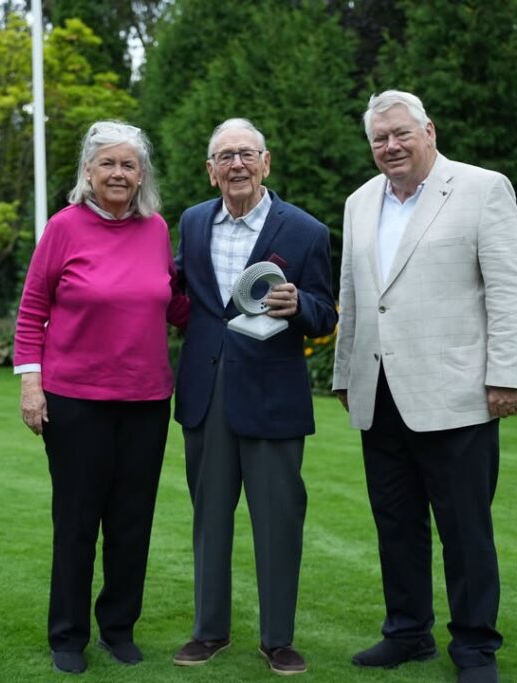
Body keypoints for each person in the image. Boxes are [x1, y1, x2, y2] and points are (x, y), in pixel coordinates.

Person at [331, 90, 517, 683]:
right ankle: (407, 633)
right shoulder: (359, 202)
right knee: (395, 523)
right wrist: (346, 373)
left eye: (400, 134)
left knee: (465, 529)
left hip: (458, 393)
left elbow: (512, 289)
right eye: (379, 139)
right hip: (380, 392)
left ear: (429, 131)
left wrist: (505, 376)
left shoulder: (482, 189)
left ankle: (474, 647)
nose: (390, 146)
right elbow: (354, 292)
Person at [13, 120, 188, 675]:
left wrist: (239, 295)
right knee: (77, 520)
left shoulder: (157, 229)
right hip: (76, 401)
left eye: (128, 165)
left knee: (132, 521)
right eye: (107, 163)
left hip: (145, 399)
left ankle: (118, 628)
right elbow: (32, 308)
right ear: (88, 172)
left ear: (142, 176)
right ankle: (67, 636)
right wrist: (30, 382)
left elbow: (173, 304)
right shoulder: (63, 227)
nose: (118, 173)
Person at [170, 118, 337, 676]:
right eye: (225, 156)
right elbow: (180, 293)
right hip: (205, 391)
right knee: (208, 518)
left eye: (246, 153)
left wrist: (301, 307)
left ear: (266, 162)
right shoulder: (193, 223)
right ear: (210, 169)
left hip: (273, 397)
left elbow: (326, 312)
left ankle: (278, 641)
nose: (236, 164)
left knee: (278, 520)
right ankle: (208, 632)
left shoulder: (307, 230)